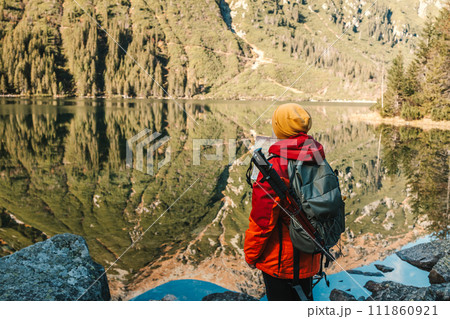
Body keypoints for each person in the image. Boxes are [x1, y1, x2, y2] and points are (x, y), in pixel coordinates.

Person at [244, 103, 325, 301]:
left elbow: (262, 221)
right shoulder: (317, 157)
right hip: (310, 254)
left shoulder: (274, 167)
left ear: (279, 128)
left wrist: (251, 255)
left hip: (280, 261)